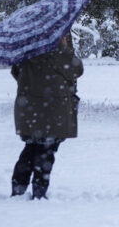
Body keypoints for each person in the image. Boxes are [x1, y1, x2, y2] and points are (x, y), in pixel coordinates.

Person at [10, 33, 83, 199]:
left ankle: (18, 187)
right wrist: (65, 47)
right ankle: (39, 191)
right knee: (46, 150)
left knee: (31, 148)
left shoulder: (25, 50)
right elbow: (77, 70)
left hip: (28, 109)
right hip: (53, 111)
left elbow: (16, 73)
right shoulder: (60, 52)